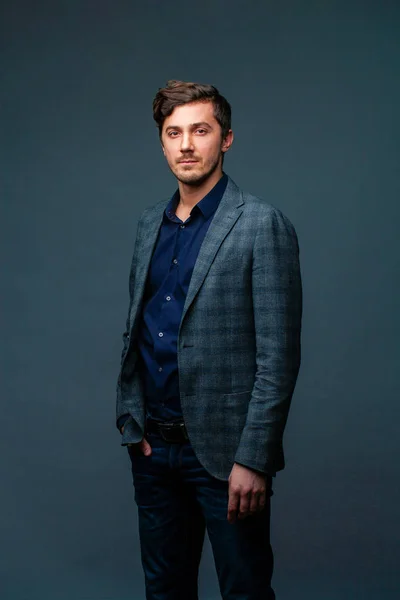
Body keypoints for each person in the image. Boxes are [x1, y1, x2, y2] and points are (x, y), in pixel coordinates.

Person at [116, 79, 302, 600]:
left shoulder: (261, 224)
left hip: (225, 459)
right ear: (162, 142)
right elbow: (138, 329)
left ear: (226, 139)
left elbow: (279, 358)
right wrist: (131, 421)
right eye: (173, 133)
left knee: (244, 590)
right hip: (153, 450)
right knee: (164, 591)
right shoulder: (148, 224)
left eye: (200, 130)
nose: (186, 145)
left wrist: (254, 459)